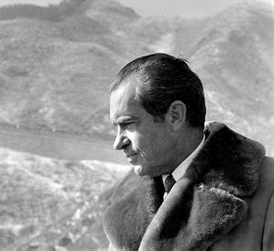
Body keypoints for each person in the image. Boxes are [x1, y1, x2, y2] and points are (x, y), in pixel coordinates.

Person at [102, 53, 274, 251]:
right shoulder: (126, 201)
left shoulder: (268, 191)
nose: (117, 143)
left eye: (128, 124)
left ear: (175, 115)